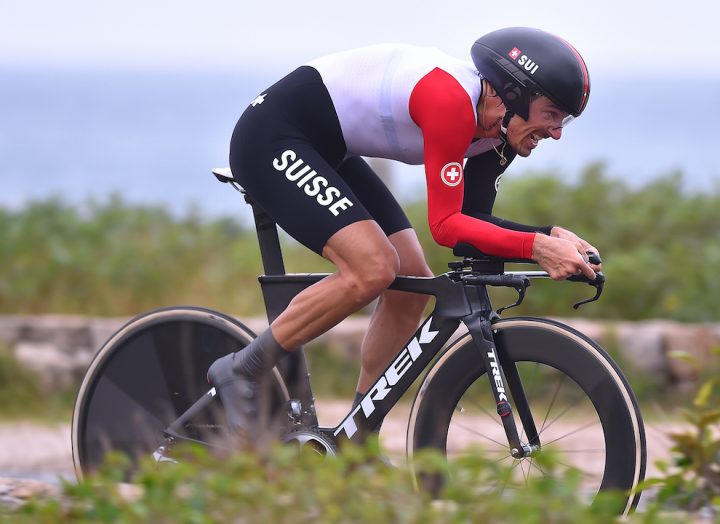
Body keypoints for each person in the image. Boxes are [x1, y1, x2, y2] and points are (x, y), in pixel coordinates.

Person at [207, 27, 601, 441]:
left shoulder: (497, 136)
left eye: (564, 120)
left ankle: (357, 438)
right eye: (552, 114)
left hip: (329, 148)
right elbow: (446, 226)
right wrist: (539, 248)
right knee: (372, 268)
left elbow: (473, 227)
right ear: (515, 94)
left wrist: (550, 237)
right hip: (272, 137)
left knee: (410, 285)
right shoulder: (449, 98)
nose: (557, 132)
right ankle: (242, 369)